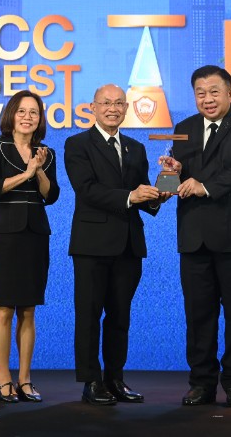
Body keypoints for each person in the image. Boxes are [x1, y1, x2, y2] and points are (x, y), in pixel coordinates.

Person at [159, 65, 231, 408]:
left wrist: (205, 186)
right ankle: (201, 384)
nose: (207, 98)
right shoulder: (184, 128)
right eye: (200, 93)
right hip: (195, 237)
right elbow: (176, 181)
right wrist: (171, 173)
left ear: (230, 92)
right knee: (198, 316)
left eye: (214, 92)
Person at [64, 83, 170, 406]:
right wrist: (130, 196)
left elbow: (144, 198)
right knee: (89, 315)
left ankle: (115, 378)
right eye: (106, 103)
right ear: (93, 108)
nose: (113, 108)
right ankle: (91, 381)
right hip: (92, 245)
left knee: (120, 316)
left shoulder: (136, 148)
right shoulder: (77, 144)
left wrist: (163, 189)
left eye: (119, 103)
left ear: (126, 109)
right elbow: (86, 190)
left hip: (128, 245)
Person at [0, 90, 60, 403]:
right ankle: (4, 379)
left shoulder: (46, 153)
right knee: (4, 308)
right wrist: (24, 173)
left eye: (34, 112)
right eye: (22, 111)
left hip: (35, 233)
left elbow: (51, 195)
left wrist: (37, 171)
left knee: (28, 309)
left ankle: (25, 380)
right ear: (12, 115)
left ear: (40, 119)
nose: (28, 117)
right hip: (2, 234)